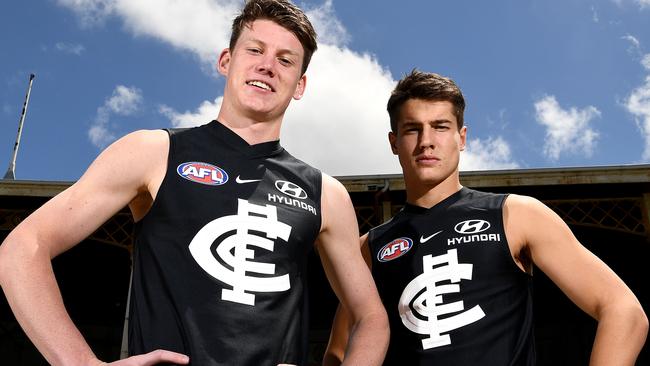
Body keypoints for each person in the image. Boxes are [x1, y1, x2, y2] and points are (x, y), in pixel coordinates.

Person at [0, 1, 389, 365]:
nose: (267, 66)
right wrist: (81, 363)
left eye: (285, 60)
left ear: (300, 85)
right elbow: (23, 247)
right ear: (226, 60)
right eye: (255, 51)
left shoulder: (324, 193)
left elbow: (370, 316)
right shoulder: (153, 152)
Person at [323, 70, 648, 365]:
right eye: (412, 129)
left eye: (440, 126)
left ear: (461, 138)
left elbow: (623, 310)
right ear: (394, 142)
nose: (426, 141)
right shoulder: (370, 248)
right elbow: (338, 354)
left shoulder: (516, 215)